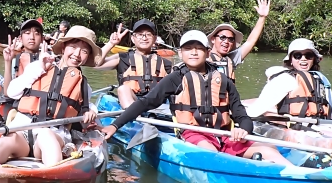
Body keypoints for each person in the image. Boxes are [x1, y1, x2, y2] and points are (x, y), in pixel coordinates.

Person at [102, 30, 293, 166]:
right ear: (181, 53)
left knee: (269, 150)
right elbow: (145, 103)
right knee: (210, 152)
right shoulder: (175, 78)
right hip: (194, 134)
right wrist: (115, 125)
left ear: (208, 52)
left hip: (224, 136)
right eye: (188, 48)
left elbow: (241, 115)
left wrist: (243, 129)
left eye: (199, 48)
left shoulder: (223, 80)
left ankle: (298, 177)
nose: (193, 52)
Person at [0, 26, 99, 166]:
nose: (77, 54)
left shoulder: (83, 85)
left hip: (53, 133)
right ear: (63, 48)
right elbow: (12, 92)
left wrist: (92, 111)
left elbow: (86, 109)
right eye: (73, 47)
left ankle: (52, 173)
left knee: (46, 136)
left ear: (87, 57)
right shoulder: (38, 67)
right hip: (22, 130)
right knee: (6, 140)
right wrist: (40, 68)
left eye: (84, 51)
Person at [246, 38, 332, 122]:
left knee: (267, 113)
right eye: (297, 55)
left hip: (300, 127)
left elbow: (254, 112)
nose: (303, 59)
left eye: (308, 55)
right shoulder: (321, 79)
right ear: (290, 60)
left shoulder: (286, 78)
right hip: (318, 124)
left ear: (314, 59)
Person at [95, 19, 173, 108]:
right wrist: (111, 44)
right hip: (132, 100)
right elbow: (96, 64)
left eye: (148, 34)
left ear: (155, 39)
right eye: (140, 34)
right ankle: (134, 115)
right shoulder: (123, 58)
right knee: (123, 89)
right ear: (133, 38)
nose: (144, 38)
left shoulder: (166, 63)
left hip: (157, 104)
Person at [207, 0, 271, 81]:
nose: (226, 41)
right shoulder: (202, 58)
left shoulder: (232, 59)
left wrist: (262, 17)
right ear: (213, 39)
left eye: (231, 39)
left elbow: (250, 42)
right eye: (222, 37)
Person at [2, 19, 44, 94]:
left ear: (42, 39)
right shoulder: (16, 61)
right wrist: (8, 61)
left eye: (36, 33)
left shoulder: (49, 60)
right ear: (20, 39)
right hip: (21, 100)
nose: (32, 37)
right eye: (27, 33)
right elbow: (7, 93)